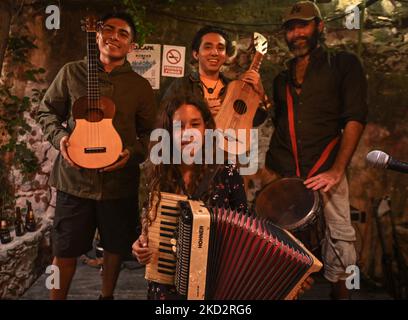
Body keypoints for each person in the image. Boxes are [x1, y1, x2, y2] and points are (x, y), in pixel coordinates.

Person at [36, 12, 156, 300]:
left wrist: (132, 154)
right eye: (108, 29)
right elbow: (46, 112)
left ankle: (107, 296)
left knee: (115, 247)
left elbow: (151, 133)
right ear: (97, 35)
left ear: (131, 46)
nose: (114, 36)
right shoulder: (70, 72)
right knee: (63, 249)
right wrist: (60, 137)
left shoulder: (140, 86)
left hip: (119, 182)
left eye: (123, 33)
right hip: (73, 181)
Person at [264, 1, 368, 299]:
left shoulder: (344, 64)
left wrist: (336, 171)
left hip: (326, 169)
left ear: (319, 27)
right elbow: (280, 125)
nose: (296, 33)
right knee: (281, 249)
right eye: (291, 28)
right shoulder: (281, 79)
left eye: (303, 25)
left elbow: (355, 118)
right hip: (286, 173)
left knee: (340, 244)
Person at [132, 95, 247, 300]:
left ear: (206, 129)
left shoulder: (227, 173)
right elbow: (143, 229)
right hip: (166, 285)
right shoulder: (156, 172)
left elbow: (246, 232)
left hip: (215, 285)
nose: (188, 133)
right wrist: (139, 246)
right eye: (179, 126)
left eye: (195, 124)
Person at [163, 25, 269, 125]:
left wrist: (260, 92)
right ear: (196, 54)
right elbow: (163, 119)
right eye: (208, 47)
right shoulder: (181, 85)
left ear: (226, 56)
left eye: (220, 48)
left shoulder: (233, 88)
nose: (215, 53)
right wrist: (199, 111)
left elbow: (256, 120)